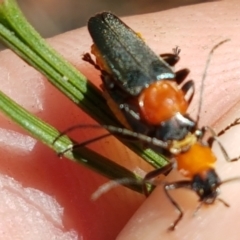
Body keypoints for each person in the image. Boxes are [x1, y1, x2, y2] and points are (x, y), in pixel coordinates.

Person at [0, 0, 240, 239]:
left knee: (136, 104)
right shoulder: (174, 130)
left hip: (151, 79)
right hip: (140, 75)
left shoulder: (181, 125)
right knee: (130, 106)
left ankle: (113, 76)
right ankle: (105, 72)